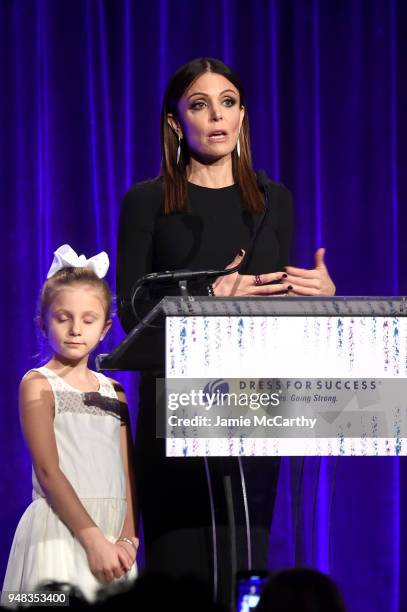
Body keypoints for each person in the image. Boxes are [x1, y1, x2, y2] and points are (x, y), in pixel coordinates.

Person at [116, 57, 335, 606]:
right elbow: (130, 307)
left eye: (229, 102)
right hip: (178, 410)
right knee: (180, 574)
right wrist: (206, 299)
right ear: (175, 123)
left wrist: (321, 299)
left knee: (246, 570)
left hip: (253, 409)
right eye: (199, 104)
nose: (217, 115)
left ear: (242, 115)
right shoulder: (147, 201)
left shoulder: (271, 199)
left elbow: (275, 302)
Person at [2, 245, 138, 604]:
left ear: (105, 327)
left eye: (88, 320)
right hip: (61, 530)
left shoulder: (116, 390)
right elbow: (48, 472)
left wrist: (127, 539)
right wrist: (93, 540)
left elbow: (127, 471)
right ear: (43, 322)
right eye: (63, 318)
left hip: (114, 539)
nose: (76, 329)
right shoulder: (38, 383)